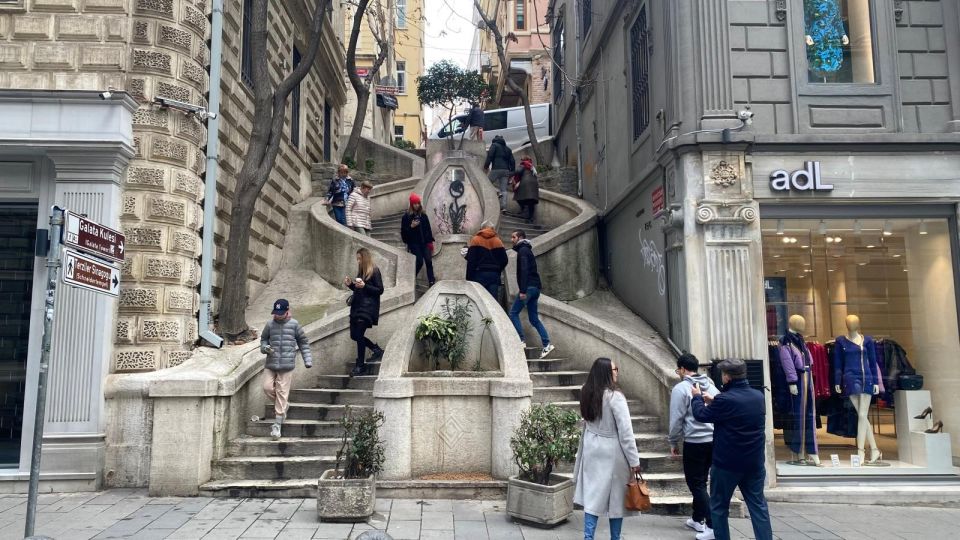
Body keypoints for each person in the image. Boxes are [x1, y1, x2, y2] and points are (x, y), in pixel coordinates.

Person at [690, 359, 772, 540]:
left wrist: (696, 397)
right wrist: (714, 401)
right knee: (758, 506)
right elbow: (736, 412)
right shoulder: (757, 396)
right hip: (754, 462)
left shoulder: (725, 400)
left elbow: (701, 415)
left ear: (727, 377)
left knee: (719, 507)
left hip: (727, 464)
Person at [573, 357, 643, 540]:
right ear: (606, 373)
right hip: (612, 451)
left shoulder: (586, 392)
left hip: (591, 447)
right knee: (617, 499)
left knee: (592, 496)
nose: (617, 372)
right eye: (614, 369)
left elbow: (586, 421)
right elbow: (626, 432)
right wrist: (634, 461)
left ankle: (588, 537)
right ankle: (615, 538)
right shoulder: (615, 397)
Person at [668, 353, 720, 537]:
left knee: (695, 483)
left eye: (678, 370)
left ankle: (713, 525)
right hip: (713, 441)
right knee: (702, 481)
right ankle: (697, 519)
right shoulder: (712, 386)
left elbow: (676, 418)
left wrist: (673, 440)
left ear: (682, 369)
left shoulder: (681, 388)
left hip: (695, 441)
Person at [260, 298, 313, 440]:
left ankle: (277, 425)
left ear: (287, 311)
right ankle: (284, 405)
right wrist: (265, 348)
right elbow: (263, 339)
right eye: (276, 313)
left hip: (287, 365)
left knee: (282, 391)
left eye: (281, 313)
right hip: (271, 363)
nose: (278, 315)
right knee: (267, 388)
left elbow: (304, 342)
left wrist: (307, 360)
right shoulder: (270, 325)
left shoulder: (295, 325)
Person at [508, 229, 554, 359]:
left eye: (513, 237)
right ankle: (547, 344)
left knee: (513, 313)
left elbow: (524, 270)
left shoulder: (522, 251)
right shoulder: (527, 250)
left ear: (520, 238)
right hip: (535, 289)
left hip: (528, 288)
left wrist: (522, 290)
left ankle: (521, 340)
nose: (512, 240)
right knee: (534, 319)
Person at [344, 248, 385, 376]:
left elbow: (379, 290)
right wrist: (351, 284)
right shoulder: (361, 272)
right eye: (357, 259)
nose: (358, 261)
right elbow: (359, 290)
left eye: (360, 259)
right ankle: (375, 349)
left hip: (367, 308)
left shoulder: (374, 270)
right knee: (354, 335)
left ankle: (361, 365)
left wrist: (365, 286)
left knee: (359, 334)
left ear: (365, 258)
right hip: (357, 307)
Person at [400, 193, 436, 286]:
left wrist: (430, 242)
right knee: (419, 261)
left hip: (425, 242)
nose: (416, 205)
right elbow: (403, 233)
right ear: (411, 204)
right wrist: (411, 226)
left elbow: (428, 229)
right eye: (414, 203)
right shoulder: (406, 217)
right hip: (414, 243)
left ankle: (431, 281)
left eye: (418, 203)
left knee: (428, 261)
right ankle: (411, 277)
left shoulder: (423, 215)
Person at [465, 221, 508, 298]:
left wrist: (469, 277)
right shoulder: (498, 241)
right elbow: (504, 260)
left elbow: (471, 260)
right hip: (494, 275)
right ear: (492, 228)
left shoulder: (476, 240)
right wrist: (497, 269)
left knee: (479, 299)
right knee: (493, 301)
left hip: (479, 274)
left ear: (482, 228)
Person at [484, 135, 515, 212]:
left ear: (495, 139)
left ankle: (496, 192)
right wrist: (512, 172)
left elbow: (490, 156)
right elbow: (513, 162)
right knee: (504, 189)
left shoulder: (494, 145)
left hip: (496, 169)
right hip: (506, 171)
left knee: (486, 183)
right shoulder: (508, 149)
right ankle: (504, 207)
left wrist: (486, 166)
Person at [511, 156, 540, 223]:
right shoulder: (532, 166)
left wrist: (510, 174)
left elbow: (518, 171)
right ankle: (530, 217)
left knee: (518, 197)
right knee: (531, 202)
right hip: (534, 185)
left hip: (526, 183)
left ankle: (523, 210)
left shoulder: (524, 164)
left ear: (523, 160)